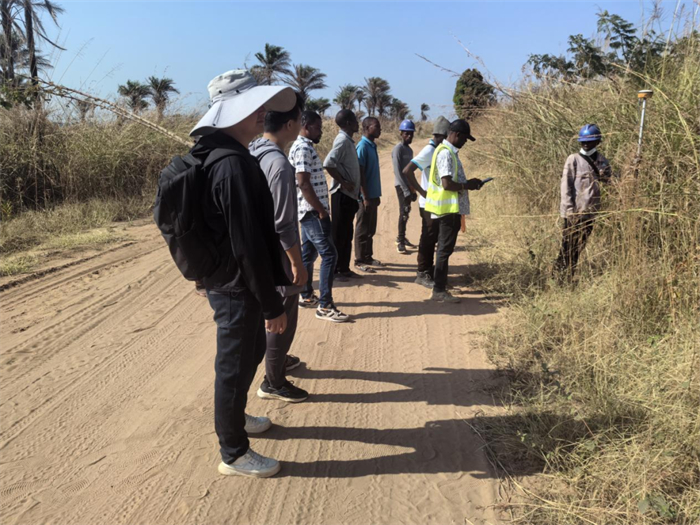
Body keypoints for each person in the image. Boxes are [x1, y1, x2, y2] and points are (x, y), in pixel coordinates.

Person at [190, 69, 295, 478]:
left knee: (249, 353)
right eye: (255, 106)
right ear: (233, 111)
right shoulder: (232, 165)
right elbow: (246, 244)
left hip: (231, 280)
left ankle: (236, 417)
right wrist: (272, 304)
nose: (263, 112)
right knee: (233, 366)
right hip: (236, 286)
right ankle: (233, 452)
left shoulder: (225, 154)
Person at [249, 92, 310, 403]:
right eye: (299, 120)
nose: (300, 125)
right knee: (281, 317)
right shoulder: (280, 166)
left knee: (270, 315)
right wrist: (297, 264)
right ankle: (273, 381)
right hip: (278, 256)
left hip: (255, 251)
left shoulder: (252, 151)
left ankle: (278, 360)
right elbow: (284, 224)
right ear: (289, 125)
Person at [290, 111, 350, 323]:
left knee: (308, 254)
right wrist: (321, 211)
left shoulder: (303, 146)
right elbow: (303, 183)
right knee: (330, 255)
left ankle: (306, 295)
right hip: (312, 212)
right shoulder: (303, 148)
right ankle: (325, 306)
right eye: (318, 128)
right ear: (306, 126)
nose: (321, 132)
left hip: (309, 211)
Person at [424, 119, 483, 303]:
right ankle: (439, 290)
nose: (465, 142)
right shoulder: (446, 154)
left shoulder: (446, 151)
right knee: (444, 250)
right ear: (456, 134)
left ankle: (440, 285)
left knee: (444, 249)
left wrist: (468, 184)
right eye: (465, 138)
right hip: (448, 210)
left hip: (449, 209)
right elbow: (447, 184)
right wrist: (467, 185)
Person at [554, 124, 612, 279]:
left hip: (590, 213)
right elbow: (565, 186)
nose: (586, 144)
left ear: (597, 142)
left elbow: (611, 181)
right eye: (583, 141)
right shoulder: (573, 159)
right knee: (567, 247)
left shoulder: (602, 161)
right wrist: (569, 211)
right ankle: (559, 277)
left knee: (579, 247)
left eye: (589, 141)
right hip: (574, 213)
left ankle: (569, 276)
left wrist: (632, 167)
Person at [402, 116, 450, 288]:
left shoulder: (438, 150)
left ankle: (429, 270)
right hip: (428, 204)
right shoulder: (429, 150)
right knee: (428, 237)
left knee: (433, 237)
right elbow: (407, 170)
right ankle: (422, 273)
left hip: (435, 203)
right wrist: (422, 192)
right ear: (443, 135)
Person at [324, 109, 363, 280]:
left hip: (349, 196)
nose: (357, 123)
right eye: (355, 120)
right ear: (348, 123)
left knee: (346, 233)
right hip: (341, 195)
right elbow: (328, 163)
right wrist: (343, 182)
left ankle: (344, 268)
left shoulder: (348, 141)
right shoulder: (342, 141)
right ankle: (334, 271)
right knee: (339, 234)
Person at [354, 117, 383, 273]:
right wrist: (365, 197)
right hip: (365, 197)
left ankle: (367, 256)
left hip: (373, 195)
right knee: (362, 228)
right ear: (366, 127)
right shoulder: (362, 146)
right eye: (376, 126)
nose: (380, 129)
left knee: (371, 229)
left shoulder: (372, 146)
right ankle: (359, 260)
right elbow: (360, 173)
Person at [392, 119, 417, 254]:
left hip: (408, 186)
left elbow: (410, 172)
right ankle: (400, 241)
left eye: (411, 133)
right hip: (401, 186)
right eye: (406, 133)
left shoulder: (410, 150)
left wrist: (413, 188)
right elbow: (397, 171)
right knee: (403, 212)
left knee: (407, 212)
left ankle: (403, 237)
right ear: (401, 133)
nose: (409, 136)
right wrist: (406, 190)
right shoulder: (398, 149)